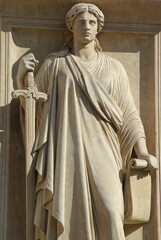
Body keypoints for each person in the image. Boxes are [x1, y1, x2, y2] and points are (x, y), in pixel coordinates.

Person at [17, 3, 158, 240]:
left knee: (113, 211)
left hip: (105, 152)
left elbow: (129, 114)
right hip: (66, 153)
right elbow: (33, 108)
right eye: (80, 22)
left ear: (98, 28)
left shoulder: (114, 69)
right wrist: (23, 77)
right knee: (67, 214)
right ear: (71, 26)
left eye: (92, 22)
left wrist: (142, 152)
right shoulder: (56, 64)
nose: (86, 27)